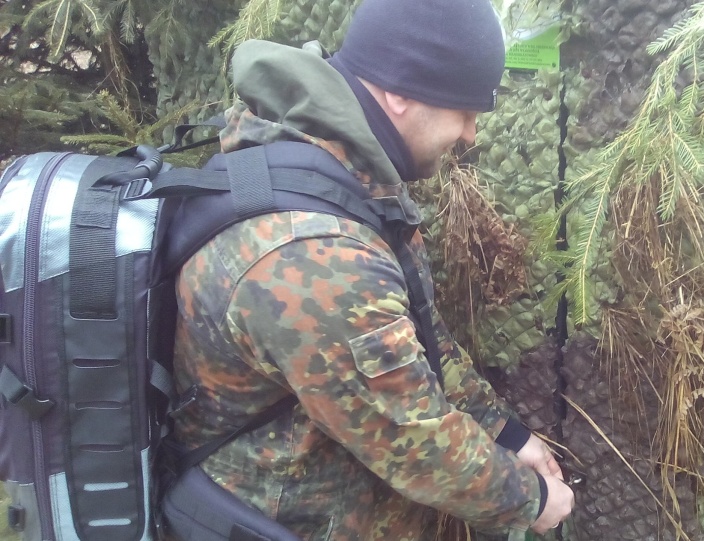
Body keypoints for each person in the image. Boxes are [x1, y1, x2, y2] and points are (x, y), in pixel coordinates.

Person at [167, 0, 576, 538]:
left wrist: (506, 431)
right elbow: (410, 437)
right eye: (464, 110)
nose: (471, 134)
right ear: (401, 91)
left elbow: (414, 340)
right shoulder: (314, 254)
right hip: (284, 519)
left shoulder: (331, 165)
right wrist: (533, 500)